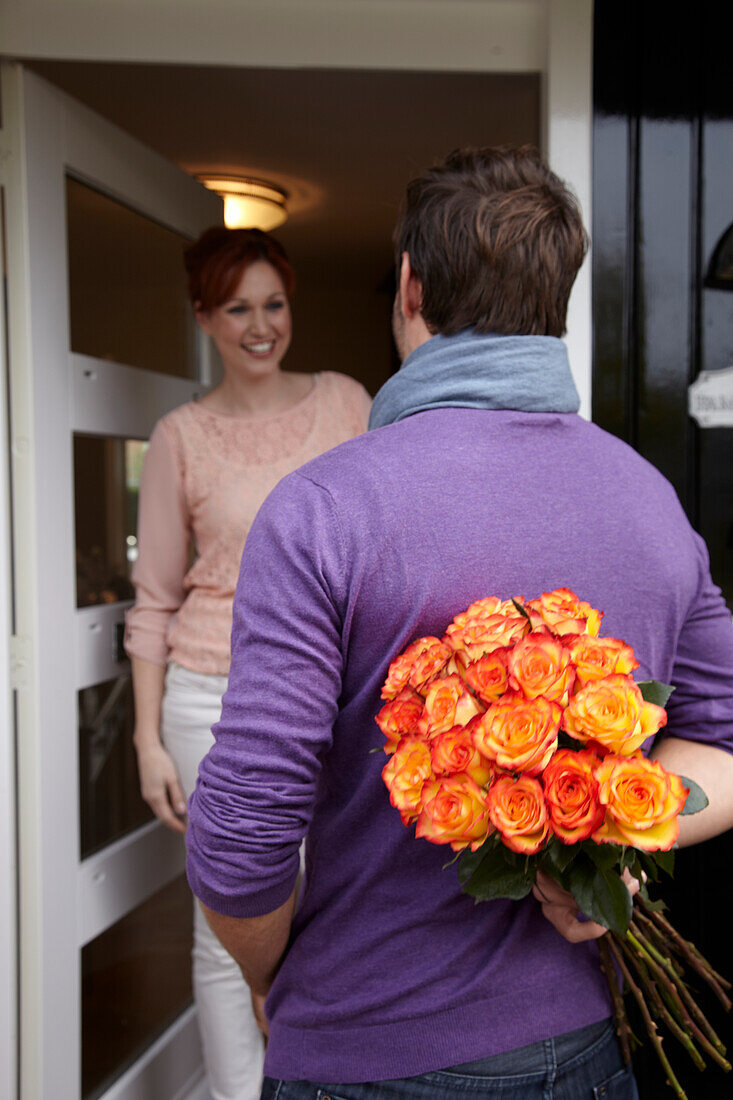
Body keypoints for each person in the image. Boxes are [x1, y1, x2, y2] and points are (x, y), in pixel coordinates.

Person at [185, 150, 733, 1099]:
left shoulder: (322, 506)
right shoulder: (647, 500)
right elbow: (721, 747)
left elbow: (242, 834)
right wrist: (612, 833)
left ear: (410, 284)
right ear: (554, 298)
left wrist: (272, 976)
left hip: (366, 1047)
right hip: (585, 1050)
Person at [124, 225, 372, 1100]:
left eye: (274, 304)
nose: (261, 325)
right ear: (204, 318)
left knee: (330, 906)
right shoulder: (180, 436)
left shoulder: (347, 404)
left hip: (333, 696)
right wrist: (150, 739)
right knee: (226, 923)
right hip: (208, 697)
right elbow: (154, 600)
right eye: (238, 308)